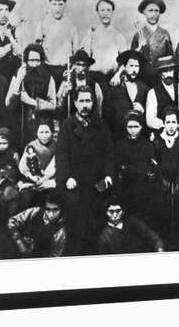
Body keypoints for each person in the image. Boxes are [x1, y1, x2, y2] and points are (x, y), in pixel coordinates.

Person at [56, 85, 115, 255]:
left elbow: (109, 153)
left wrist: (109, 175)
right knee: (75, 223)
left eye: (88, 101)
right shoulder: (67, 126)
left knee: (95, 225)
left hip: (96, 183)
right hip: (74, 184)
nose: (85, 105)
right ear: (75, 103)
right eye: (81, 101)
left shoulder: (101, 125)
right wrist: (66, 178)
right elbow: (61, 155)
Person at [6, 43, 56, 146]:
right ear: (26, 61)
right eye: (31, 60)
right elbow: (8, 104)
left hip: (41, 125)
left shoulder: (48, 78)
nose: (34, 64)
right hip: (20, 124)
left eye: (38, 61)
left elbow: (53, 105)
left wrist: (31, 102)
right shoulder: (18, 75)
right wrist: (19, 80)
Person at [114, 110, 158, 225]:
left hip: (144, 194)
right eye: (130, 127)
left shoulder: (148, 145)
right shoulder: (119, 146)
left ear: (141, 127)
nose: (133, 130)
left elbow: (151, 169)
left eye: (136, 127)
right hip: (126, 193)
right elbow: (118, 169)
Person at [151, 106, 179, 247]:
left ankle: (175, 239)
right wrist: (162, 180)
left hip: (176, 183)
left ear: (178, 124)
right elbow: (155, 163)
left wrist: (178, 182)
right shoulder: (158, 140)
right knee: (162, 211)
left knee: (177, 211)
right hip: (162, 183)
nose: (171, 126)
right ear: (164, 123)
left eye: (173, 122)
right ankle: (162, 239)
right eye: (168, 122)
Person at [80, 0, 128, 92]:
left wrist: (117, 76)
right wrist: (89, 36)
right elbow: (84, 59)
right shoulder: (91, 34)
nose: (105, 13)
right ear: (98, 13)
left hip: (111, 80)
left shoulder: (119, 36)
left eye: (108, 10)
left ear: (112, 12)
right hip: (93, 80)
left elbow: (125, 62)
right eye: (102, 10)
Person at [103, 50, 150, 141]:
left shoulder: (144, 89)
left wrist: (143, 111)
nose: (134, 70)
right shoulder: (115, 88)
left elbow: (150, 115)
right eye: (131, 66)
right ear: (124, 67)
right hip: (118, 137)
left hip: (139, 139)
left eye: (137, 66)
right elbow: (107, 116)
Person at [34, 0, 79, 88]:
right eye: (54, 4)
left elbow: (76, 52)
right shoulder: (42, 25)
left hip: (65, 70)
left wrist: (71, 69)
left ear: (64, 5)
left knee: (65, 98)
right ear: (49, 5)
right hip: (47, 69)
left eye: (60, 4)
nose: (57, 8)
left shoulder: (71, 27)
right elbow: (36, 50)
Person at [145, 55, 179, 136]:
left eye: (170, 70)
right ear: (160, 73)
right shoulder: (153, 93)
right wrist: (170, 125)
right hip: (163, 137)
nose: (168, 74)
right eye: (165, 71)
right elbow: (150, 120)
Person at [98, 194, 165, 254]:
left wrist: (159, 247)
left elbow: (148, 233)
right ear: (106, 212)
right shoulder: (105, 237)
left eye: (118, 211)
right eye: (111, 212)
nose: (115, 215)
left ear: (123, 211)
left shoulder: (132, 222)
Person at [7, 191, 67, 258]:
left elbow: (55, 255)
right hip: (17, 250)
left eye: (55, 210)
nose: (51, 214)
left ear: (61, 210)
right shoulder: (35, 212)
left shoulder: (60, 232)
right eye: (48, 209)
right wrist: (18, 240)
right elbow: (12, 221)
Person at [131, 0, 174, 86]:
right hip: (141, 81)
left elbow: (171, 60)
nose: (154, 14)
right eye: (150, 11)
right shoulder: (138, 35)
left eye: (156, 11)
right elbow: (131, 60)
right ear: (144, 12)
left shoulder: (165, 34)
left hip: (160, 81)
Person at [18, 115, 57, 209]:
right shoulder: (31, 146)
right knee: (27, 195)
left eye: (47, 132)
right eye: (41, 132)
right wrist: (34, 178)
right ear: (36, 133)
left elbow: (58, 164)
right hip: (33, 179)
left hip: (52, 178)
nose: (44, 135)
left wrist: (46, 178)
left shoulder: (57, 145)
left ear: (52, 132)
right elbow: (24, 168)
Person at [56, 49, 104, 119]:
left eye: (84, 65)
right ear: (73, 66)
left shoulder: (95, 86)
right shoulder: (65, 84)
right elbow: (58, 108)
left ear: (88, 67)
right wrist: (64, 94)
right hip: (70, 125)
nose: (81, 68)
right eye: (78, 64)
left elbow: (99, 110)